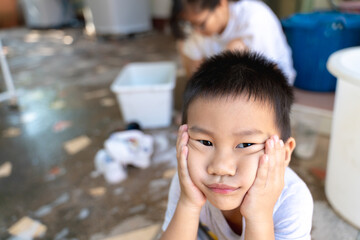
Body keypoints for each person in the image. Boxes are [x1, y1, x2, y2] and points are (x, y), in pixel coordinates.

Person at [161, 51, 313, 240]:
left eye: (246, 144)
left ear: (283, 153)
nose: (221, 167)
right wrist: (188, 204)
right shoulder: (189, 182)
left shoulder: (291, 200)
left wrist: (259, 215)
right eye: (205, 142)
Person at [170, 0, 296, 85]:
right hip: (225, 81)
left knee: (235, 49)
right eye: (191, 24)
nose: (196, 30)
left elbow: (273, 72)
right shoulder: (197, 29)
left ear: (221, 4)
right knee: (184, 43)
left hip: (269, 82)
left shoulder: (255, 17)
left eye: (201, 24)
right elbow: (195, 71)